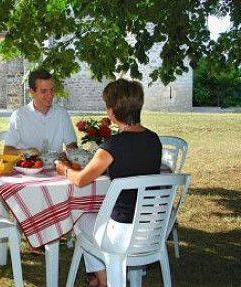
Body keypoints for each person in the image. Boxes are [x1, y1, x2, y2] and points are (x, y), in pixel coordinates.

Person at [55, 78, 162, 287]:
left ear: (111, 112)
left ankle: (103, 280)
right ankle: (101, 278)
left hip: (121, 233)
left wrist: (63, 168)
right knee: (93, 217)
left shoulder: (112, 146)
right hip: (151, 230)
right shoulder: (154, 139)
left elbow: (80, 180)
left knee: (78, 215)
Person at [3, 69, 78, 156]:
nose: (50, 95)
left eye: (52, 90)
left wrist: (67, 154)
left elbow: (72, 146)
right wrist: (26, 152)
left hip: (55, 167)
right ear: (32, 92)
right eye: (44, 91)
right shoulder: (19, 116)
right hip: (27, 167)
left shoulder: (62, 113)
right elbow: (7, 152)